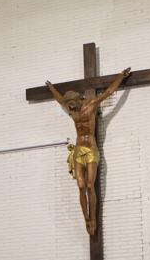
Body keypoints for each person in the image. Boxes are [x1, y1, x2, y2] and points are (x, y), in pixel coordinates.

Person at [45, 67, 133, 235]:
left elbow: (108, 92)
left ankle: (93, 218)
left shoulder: (91, 106)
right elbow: (59, 100)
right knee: (80, 186)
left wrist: (121, 77)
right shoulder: (72, 111)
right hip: (79, 150)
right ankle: (86, 218)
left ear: (79, 99)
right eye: (69, 105)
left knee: (90, 185)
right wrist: (52, 89)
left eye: (72, 103)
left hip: (91, 149)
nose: (71, 107)